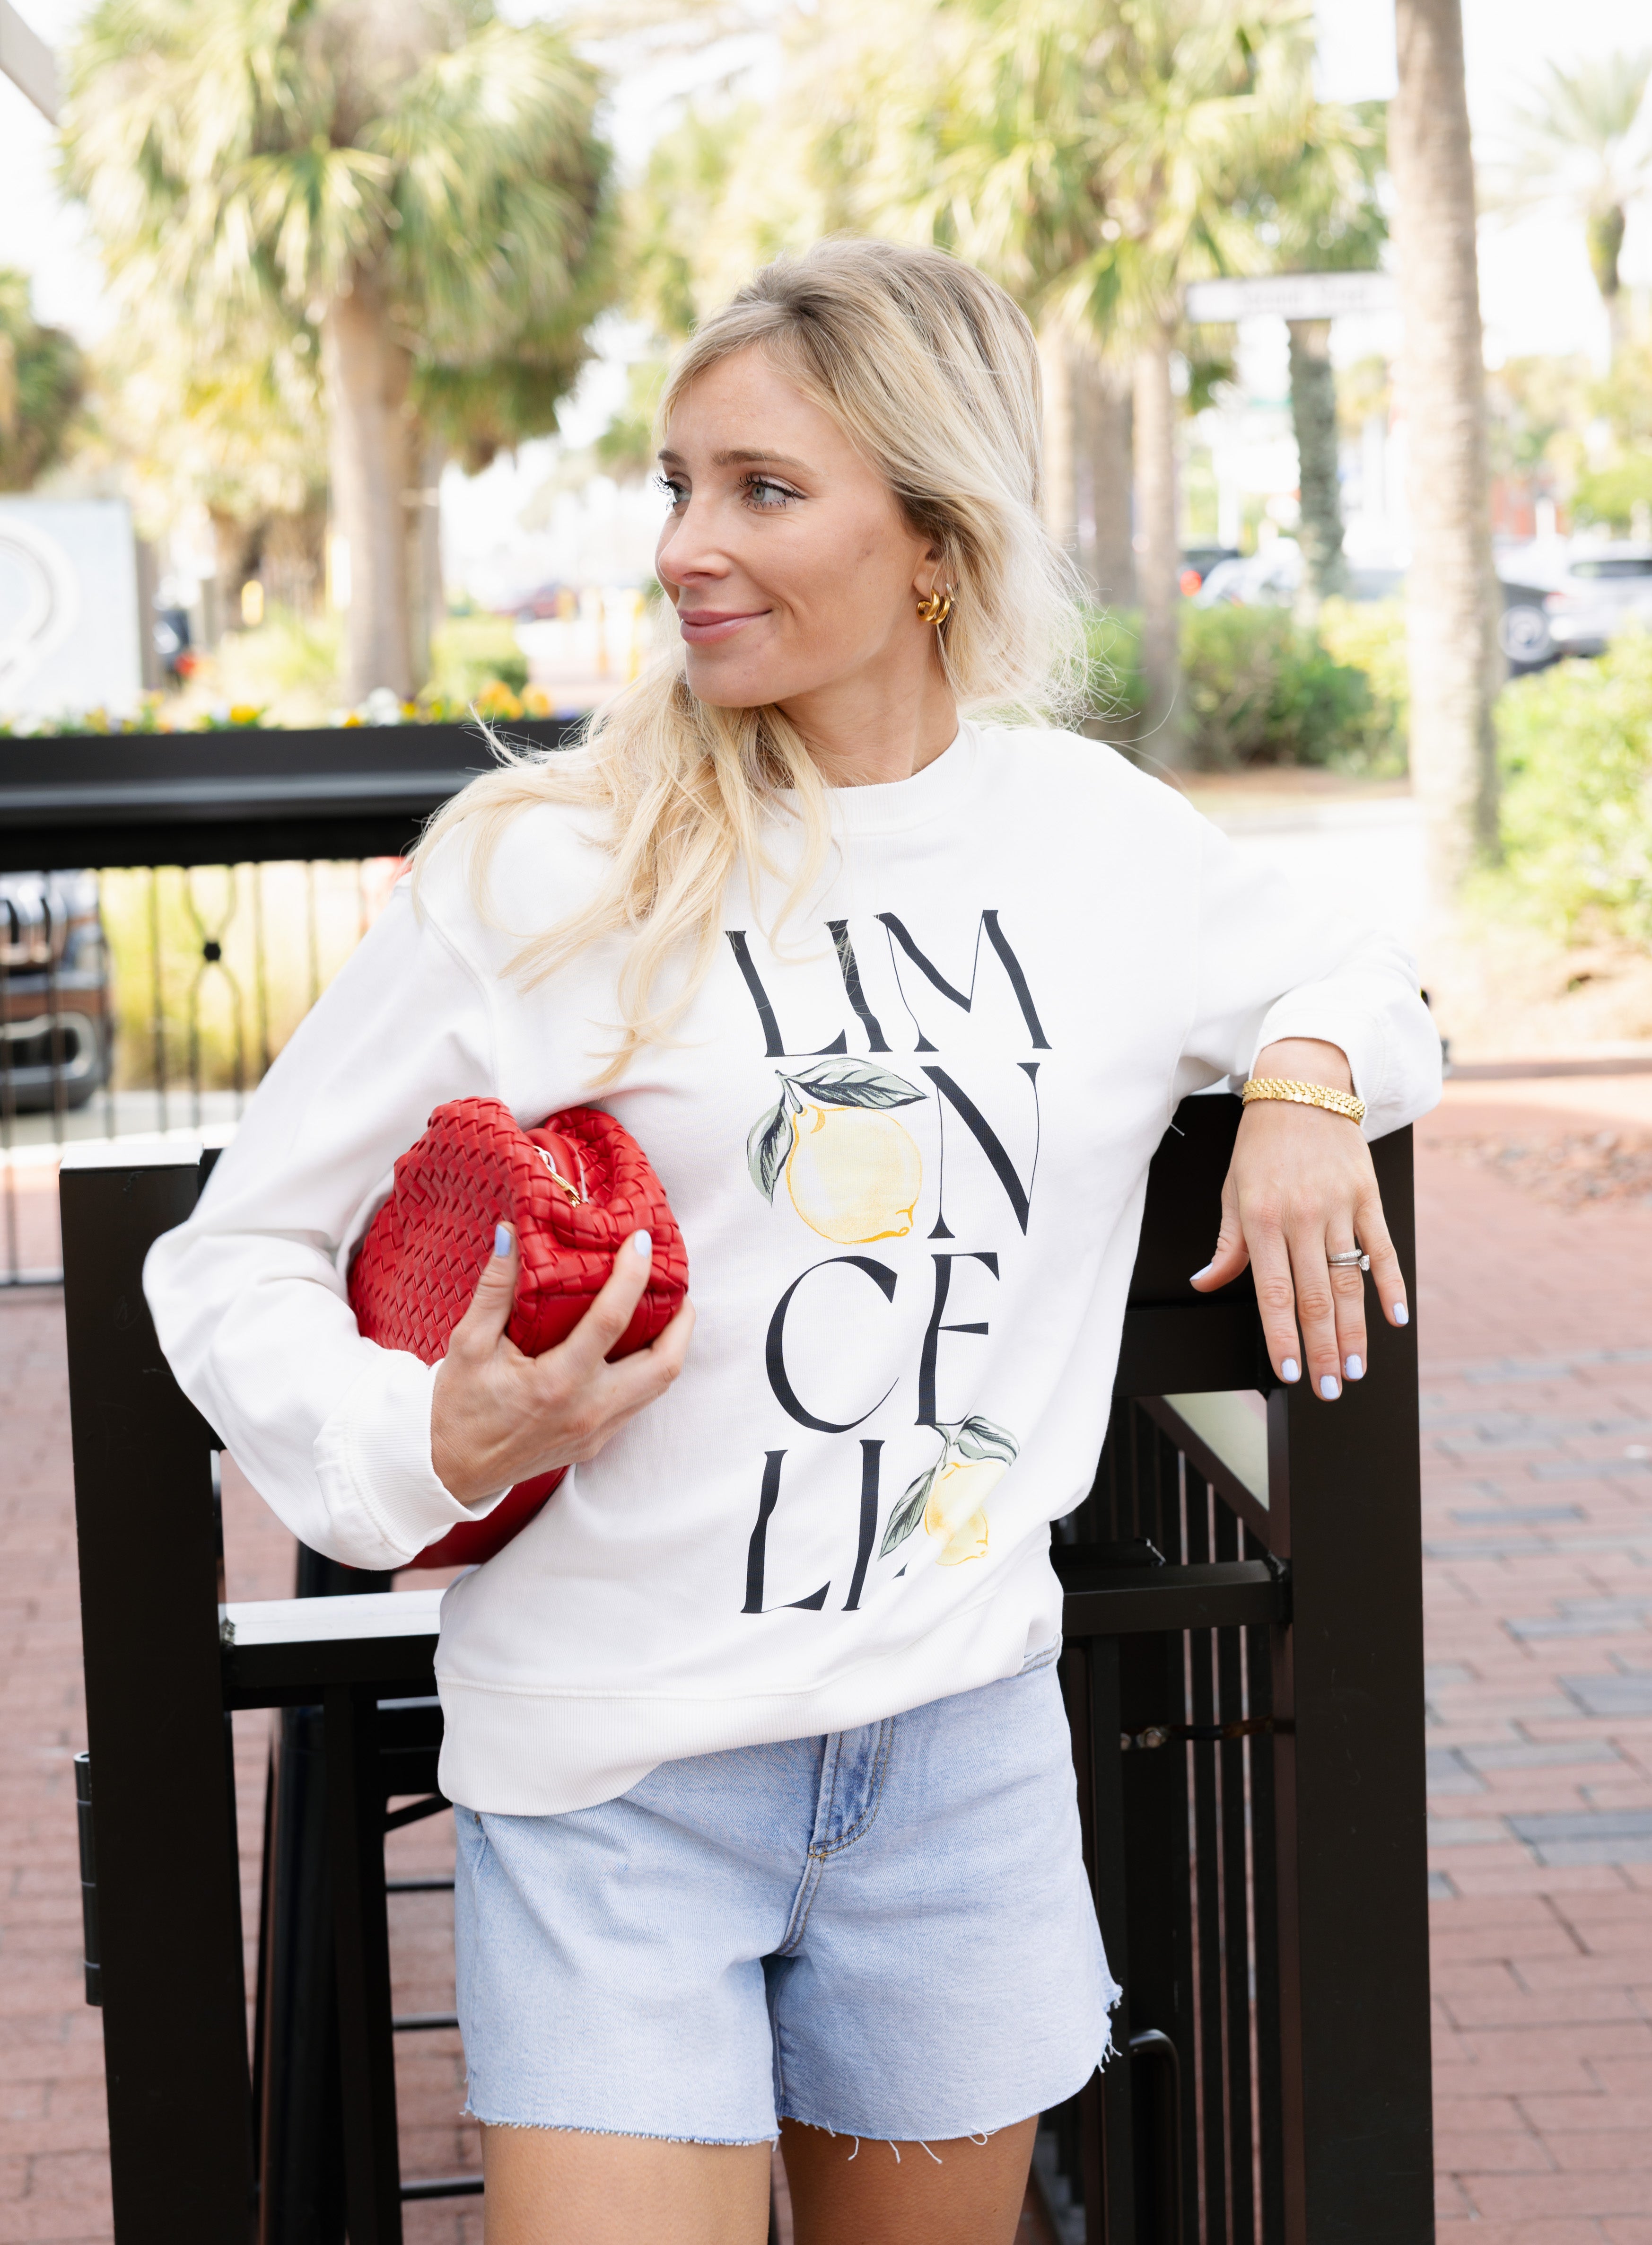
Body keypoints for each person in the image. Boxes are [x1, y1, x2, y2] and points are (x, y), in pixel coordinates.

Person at [145, 238, 1441, 2245]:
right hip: (613, 1777)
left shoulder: (1093, 839)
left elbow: (1366, 969)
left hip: (960, 1755)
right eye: (677, 485)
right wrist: (426, 1442)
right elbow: (228, 1256)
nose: (686, 546)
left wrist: (1304, 1083)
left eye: (762, 489)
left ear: (933, 539)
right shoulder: (549, 863)